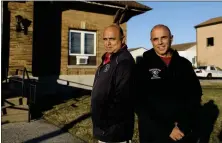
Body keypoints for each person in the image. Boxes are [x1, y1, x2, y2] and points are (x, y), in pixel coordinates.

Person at [135, 24, 203, 143]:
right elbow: (139, 102)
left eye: (164, 37)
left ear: (171, 38)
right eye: (156, 39)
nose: (160, 42)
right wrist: (167, 129)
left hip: (182, 133)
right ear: (151, 41)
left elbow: (195, 96)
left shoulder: (184, 65)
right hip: (153, 134)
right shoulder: (142, 66)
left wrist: (183, 125)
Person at [91, 24, 135, 143]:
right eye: (105, 39)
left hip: (115, 133)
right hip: (104, 130)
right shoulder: (108, 60)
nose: (108, 43)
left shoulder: (124, 62)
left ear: (122, 39)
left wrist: (104, 124)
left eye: (112, 39)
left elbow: (123, 100)